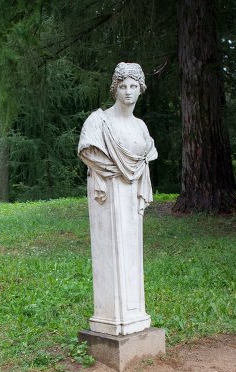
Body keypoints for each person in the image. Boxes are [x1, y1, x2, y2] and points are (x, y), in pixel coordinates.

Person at [78, 62, 158, 336]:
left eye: (133, 86)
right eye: (122, 86)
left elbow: (146, 156)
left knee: (131, 252)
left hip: (130, 199)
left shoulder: (141, 128)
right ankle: (110, 319)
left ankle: (134, 316)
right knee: (112, 250)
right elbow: (89, 152)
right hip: (108, 198)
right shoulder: (98, 122)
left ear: (140, 89)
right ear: (115, 88)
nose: (128, 92)